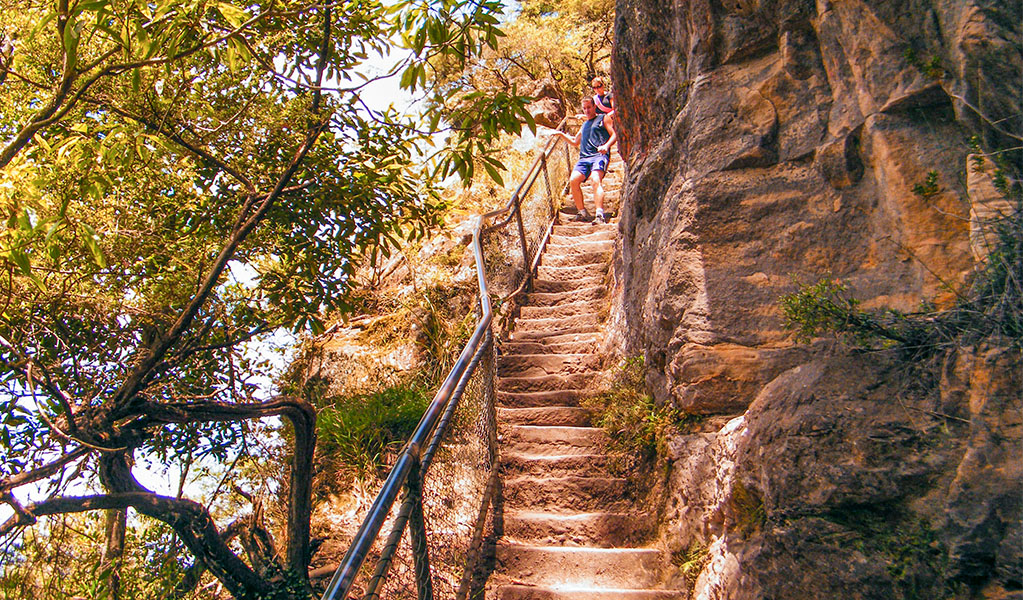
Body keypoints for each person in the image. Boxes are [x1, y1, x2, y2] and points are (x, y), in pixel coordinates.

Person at [553, 96, 617, 224]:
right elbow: (575, 142)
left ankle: (599, 215)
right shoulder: (584, 125)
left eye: (589, 107)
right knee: (573, 180)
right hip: (584, 158)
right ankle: (582, 212)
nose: (587, 110)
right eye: (584, 108)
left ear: (594, 107)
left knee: (595, 180)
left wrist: (606, 146)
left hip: (599, 155)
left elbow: (614, 134)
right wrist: (560, 134)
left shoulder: (603, 118)